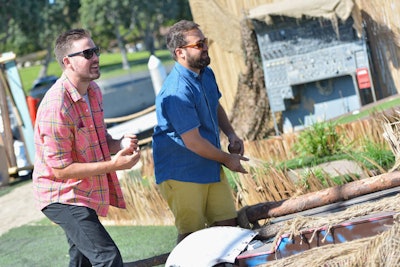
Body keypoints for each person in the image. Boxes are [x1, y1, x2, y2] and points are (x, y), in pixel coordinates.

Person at [32, 28, 141, 267]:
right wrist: (114, 165)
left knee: (82, 262)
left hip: (81, 192)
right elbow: (60, 171)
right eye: (88, 53)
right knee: (107, 258)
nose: (96, 58)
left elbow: (101, 139)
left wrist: (120, 144)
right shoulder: (55, 107)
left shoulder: (93, 92)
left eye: (96, 51)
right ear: (67, 62)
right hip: (61, 194)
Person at [152, 20, 249, 243]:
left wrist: (231, 134)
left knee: (228, 227)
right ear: (180, 53)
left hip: (209, 164)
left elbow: (215, 105)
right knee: (192, 238)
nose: (205, 47)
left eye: (204, 42)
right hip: (181, 173)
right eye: (199, 44)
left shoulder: (206, 73)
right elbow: (193, 142)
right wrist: (227, 159)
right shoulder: (175, 92)